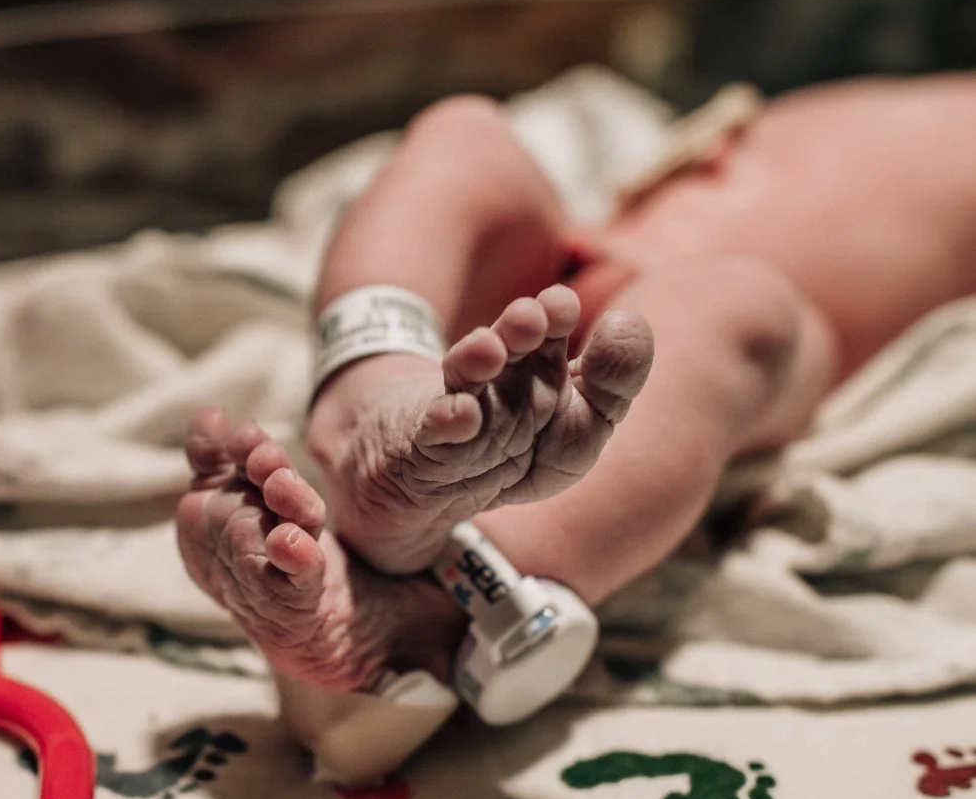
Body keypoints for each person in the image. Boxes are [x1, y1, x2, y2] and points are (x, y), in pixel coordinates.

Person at [176, 72, 976, 702]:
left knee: (734, 305)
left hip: (788, 332)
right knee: (467, 136)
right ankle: (376, 378)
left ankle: (447, 599)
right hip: (569, 259)